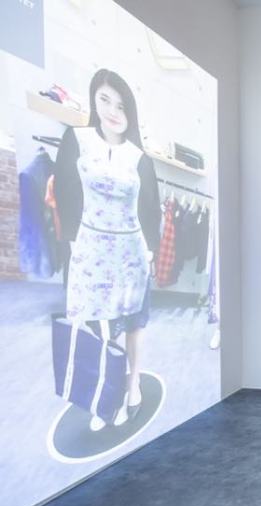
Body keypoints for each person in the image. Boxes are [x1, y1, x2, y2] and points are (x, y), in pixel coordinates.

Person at [54, 69, 161, 431]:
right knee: (101, 330)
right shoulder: (78, 140)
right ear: (94, 100)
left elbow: (152, 210)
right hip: (92, 251)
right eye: (105, 100)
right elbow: (66, 194)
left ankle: (133, 385)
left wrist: (150, 252)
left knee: (134, 324)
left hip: (132, 253)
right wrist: (73, 244)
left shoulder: (139, 157)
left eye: (121, 105)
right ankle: (106, 395)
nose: (113, 111)